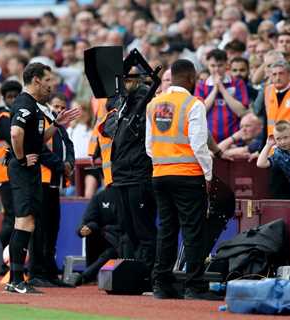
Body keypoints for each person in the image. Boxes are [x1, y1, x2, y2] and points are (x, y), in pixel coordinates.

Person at [147, 59, 218, 300]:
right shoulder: (193, 104)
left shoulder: (153, 104)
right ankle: (193, 285)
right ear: (190, 78)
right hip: (188, 175)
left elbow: (149, 145)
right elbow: (199, 144)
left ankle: (161, 284)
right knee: (193, 231)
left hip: (159, 174)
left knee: (166, 230)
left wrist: (163, 160)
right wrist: (208, 174)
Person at [5, 62, 79, 294]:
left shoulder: (35, 106)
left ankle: (16, 279)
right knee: (24, 221)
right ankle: (16, 280)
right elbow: (15, 133)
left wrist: (56, 124)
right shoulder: (25, 103)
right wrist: (21, 158)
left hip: (28, 170)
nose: (51, 85)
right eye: (48, 80)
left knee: (27, 222)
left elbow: (37, 140)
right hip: (24, 170)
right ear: (36, 80)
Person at [102, 68, 157, 271]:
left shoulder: (145, 99)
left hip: (139, 174)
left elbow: (139, 129)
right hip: (121, 175)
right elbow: (109, 129)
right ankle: (135, 271)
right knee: (128, 230)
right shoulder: (120, 104)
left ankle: (149, 273)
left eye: (128, 78)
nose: (124, 83)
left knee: (143, 229)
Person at [29, 95, 75, 287]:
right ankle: (36, 272)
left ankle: (49, 272)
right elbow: (38, 148)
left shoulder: (58, 126)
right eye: (55, 106)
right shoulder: (41, 120)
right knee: (39, 229)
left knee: (52, 229)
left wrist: (70, 164)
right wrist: (60, 165)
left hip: (55, 182)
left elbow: (68, 145)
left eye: (60, 106)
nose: (58, 109)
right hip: (42, 180)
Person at [0, 81, 22, 253]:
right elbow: (12, 138)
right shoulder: (3, 117)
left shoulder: (12, 115)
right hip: (4, 175)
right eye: (9, 97)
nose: (13, 100)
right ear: (4, 99)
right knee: (11, 217)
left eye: (16, 96)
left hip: (11, 173)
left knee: (14, 217)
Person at [194, 49, 249, 142]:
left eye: (220, 65)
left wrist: (222, 89)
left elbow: (242, 111)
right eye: (213, 66)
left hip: (234, 140)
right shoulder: (202, 86)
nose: (216, 69)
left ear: (226, 65)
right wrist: (215, 89)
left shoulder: (238, 83)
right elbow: (199, 111)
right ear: (208, 65)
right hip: (208, 142)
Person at [74, 187, 119, 286]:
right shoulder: (99, 197)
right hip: (106, 238)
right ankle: (91, 276)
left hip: (121, 241)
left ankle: (85, 276)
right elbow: (87, 222)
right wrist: (83, 230)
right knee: (92, 229)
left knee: (112, 251)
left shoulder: (128, 195)